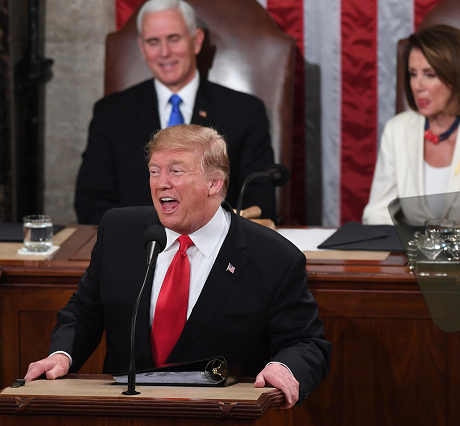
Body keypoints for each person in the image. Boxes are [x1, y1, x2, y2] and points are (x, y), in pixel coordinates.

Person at [26, 124, 331, 409]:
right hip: (124, 412)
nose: (161, 184)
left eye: (175, 171)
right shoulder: (119, 230)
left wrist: (285, 367)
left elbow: (307, 343)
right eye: (154, 171)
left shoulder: (273, 256)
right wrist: (63, 354)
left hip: (219, 415)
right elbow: (85, 311)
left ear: (214, 182)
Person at [74, 0, 277, 225]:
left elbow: (260, 201)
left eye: (173, 39)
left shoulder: (244, 112)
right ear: (142, 48)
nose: (164, 53)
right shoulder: (110, 113)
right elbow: (90, 201)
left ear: (196, 41)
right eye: (153, 42)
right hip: (137, 248)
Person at [362, 24, 460, 237]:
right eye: (413, 74)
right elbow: (376, 214)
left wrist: (449, 250)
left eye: (429, 74)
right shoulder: (397, 130)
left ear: (458, 77)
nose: (417, 85)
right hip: (410, 263)